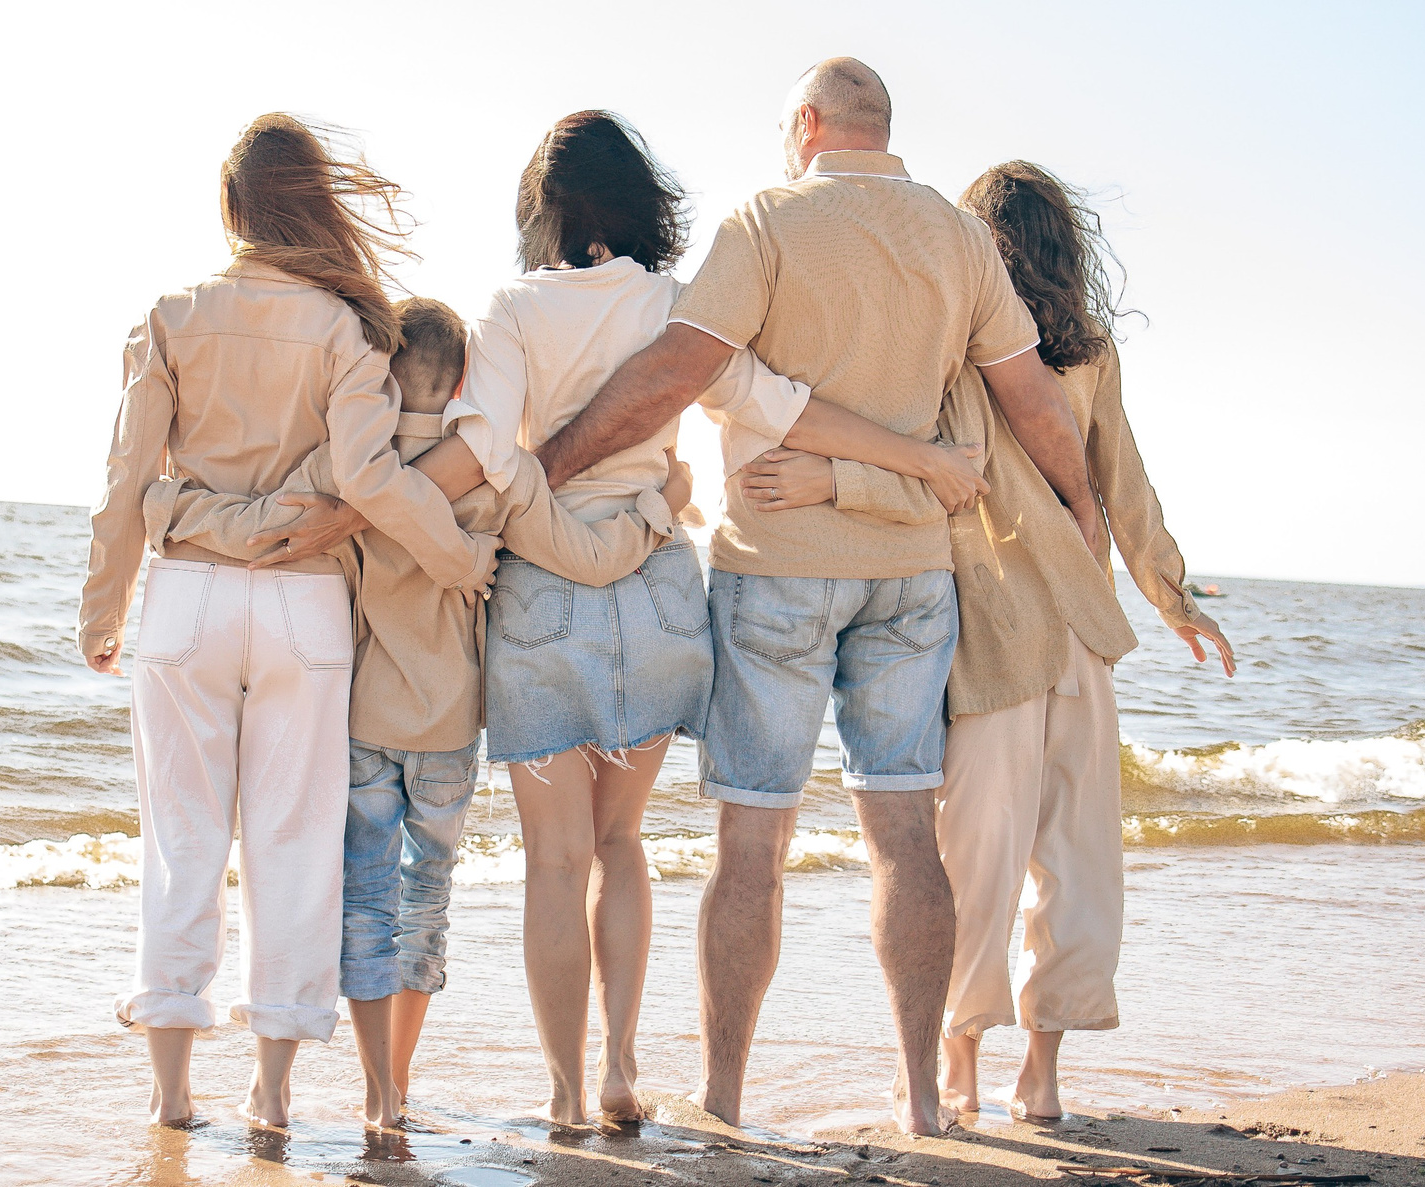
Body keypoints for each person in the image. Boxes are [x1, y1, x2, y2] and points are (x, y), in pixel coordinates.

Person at [250, 110, 981, 1129]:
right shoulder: (675, 304)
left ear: (541, 212)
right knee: (622, 846)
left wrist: (356, 509)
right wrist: (920, 459)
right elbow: (775, 403)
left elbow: (481, 453)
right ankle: (621, 1069)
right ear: (640, 200)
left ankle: (562, 1093)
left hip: (544, 596)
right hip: (658, 590)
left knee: (555, 862)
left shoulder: (513, 309)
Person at [530, 64, 1104, 1136]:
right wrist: (1083, 512)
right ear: (881, 128)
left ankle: (724, 1098)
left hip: (776, 568)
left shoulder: (768, 221)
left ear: (807, 124)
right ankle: (923, 1098)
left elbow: (675, 371)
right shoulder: (958, 237)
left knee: (752, 844)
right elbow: (1032, 400)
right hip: (911, 574)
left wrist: (547, 465)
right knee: (905, 834)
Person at [741, 160, 1234, 1126]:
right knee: (1078, 863)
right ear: (1065, 250)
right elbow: (1125, 484)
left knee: (975, 860)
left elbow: (938, 474)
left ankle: (957, 1065)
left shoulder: (959, 352)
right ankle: (1040, 1077)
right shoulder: (1089, 356)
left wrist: (832, 483)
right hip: (1082, 633)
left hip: (994, 633)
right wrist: (1173, 597)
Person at [157, 295, 694, 1129]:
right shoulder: (496, 476)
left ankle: (377, 1091)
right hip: (447, 733)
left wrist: (169, 511)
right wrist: (662, 506)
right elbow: (589, 557)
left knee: (366, 902)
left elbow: (269, 537)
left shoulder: (348, 469)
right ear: (469, 379)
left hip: (363, 724)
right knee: (424, 903)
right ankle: (401, 1082)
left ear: (378, 373)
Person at [74, 114, 498, 1130]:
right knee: (295, 845)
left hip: (186, 596)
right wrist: (458, 559)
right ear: (315, 205)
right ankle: (269, 1093)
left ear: (232, 211)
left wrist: (102, 609)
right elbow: (367, 479)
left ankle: (173, 1093)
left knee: (180, 841)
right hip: (304, 602)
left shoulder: (172, 315)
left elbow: (127, 477)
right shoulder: (350, 330)